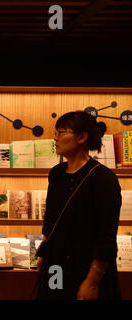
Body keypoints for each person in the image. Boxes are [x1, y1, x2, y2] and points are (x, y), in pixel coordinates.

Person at [35, 111, 122, 300]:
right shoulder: (56, 173)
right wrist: (44, 252)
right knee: (53, 296)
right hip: (56, 264)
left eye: (61, 133)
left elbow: (106, 236)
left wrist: (92, 282)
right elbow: (51, 218)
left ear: (82, 137)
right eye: (55, 133)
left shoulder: (103, 178)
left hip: (87, 267)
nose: (55, 138)